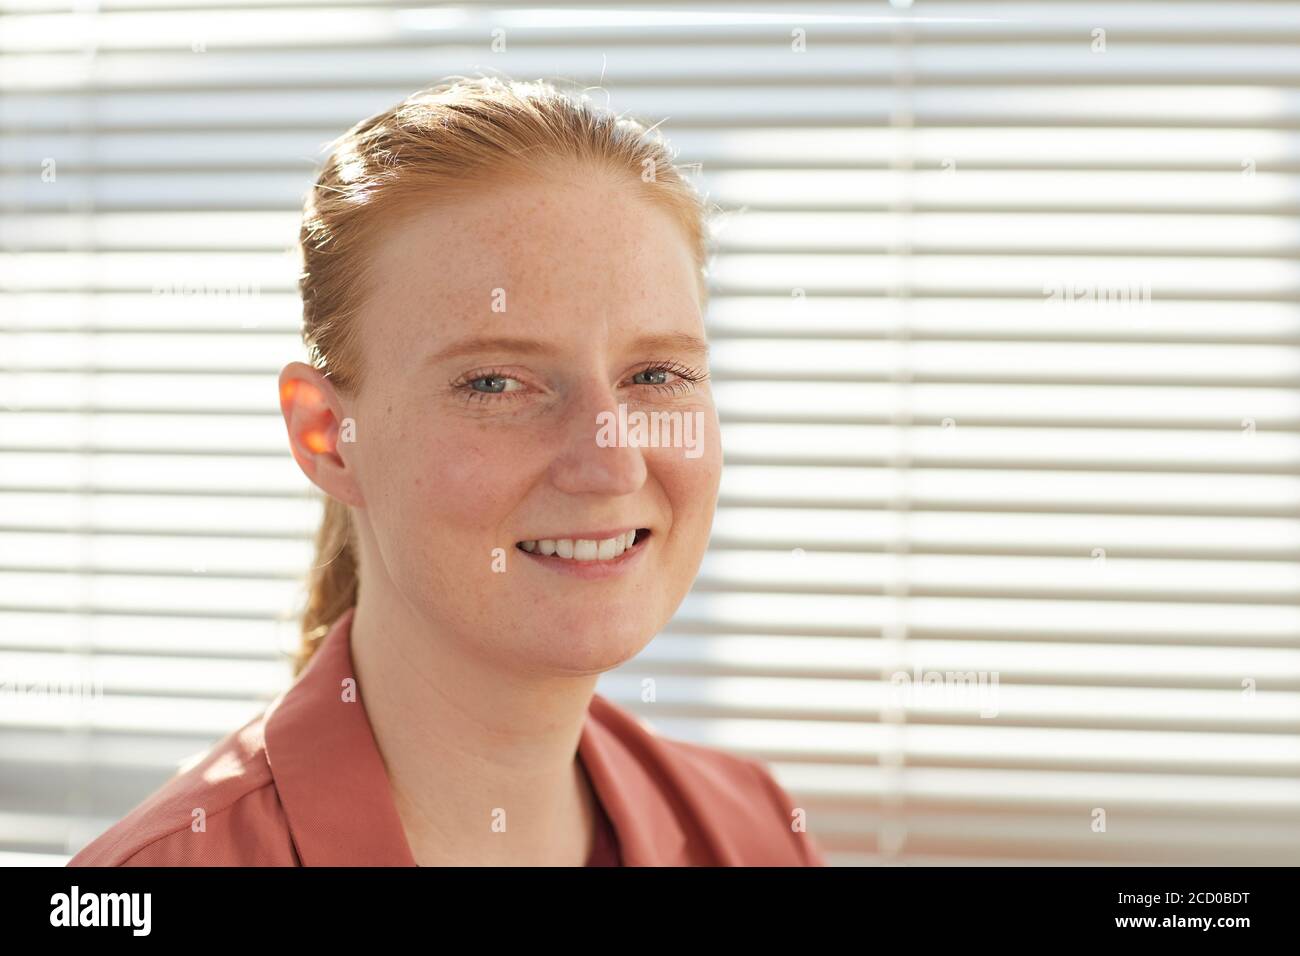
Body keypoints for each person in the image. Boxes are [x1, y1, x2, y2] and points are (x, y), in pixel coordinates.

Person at [67, 75, 826, 867]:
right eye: (496, 383)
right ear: (327, 435)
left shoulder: (754, 834)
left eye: (656, 375)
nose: (610, 461)